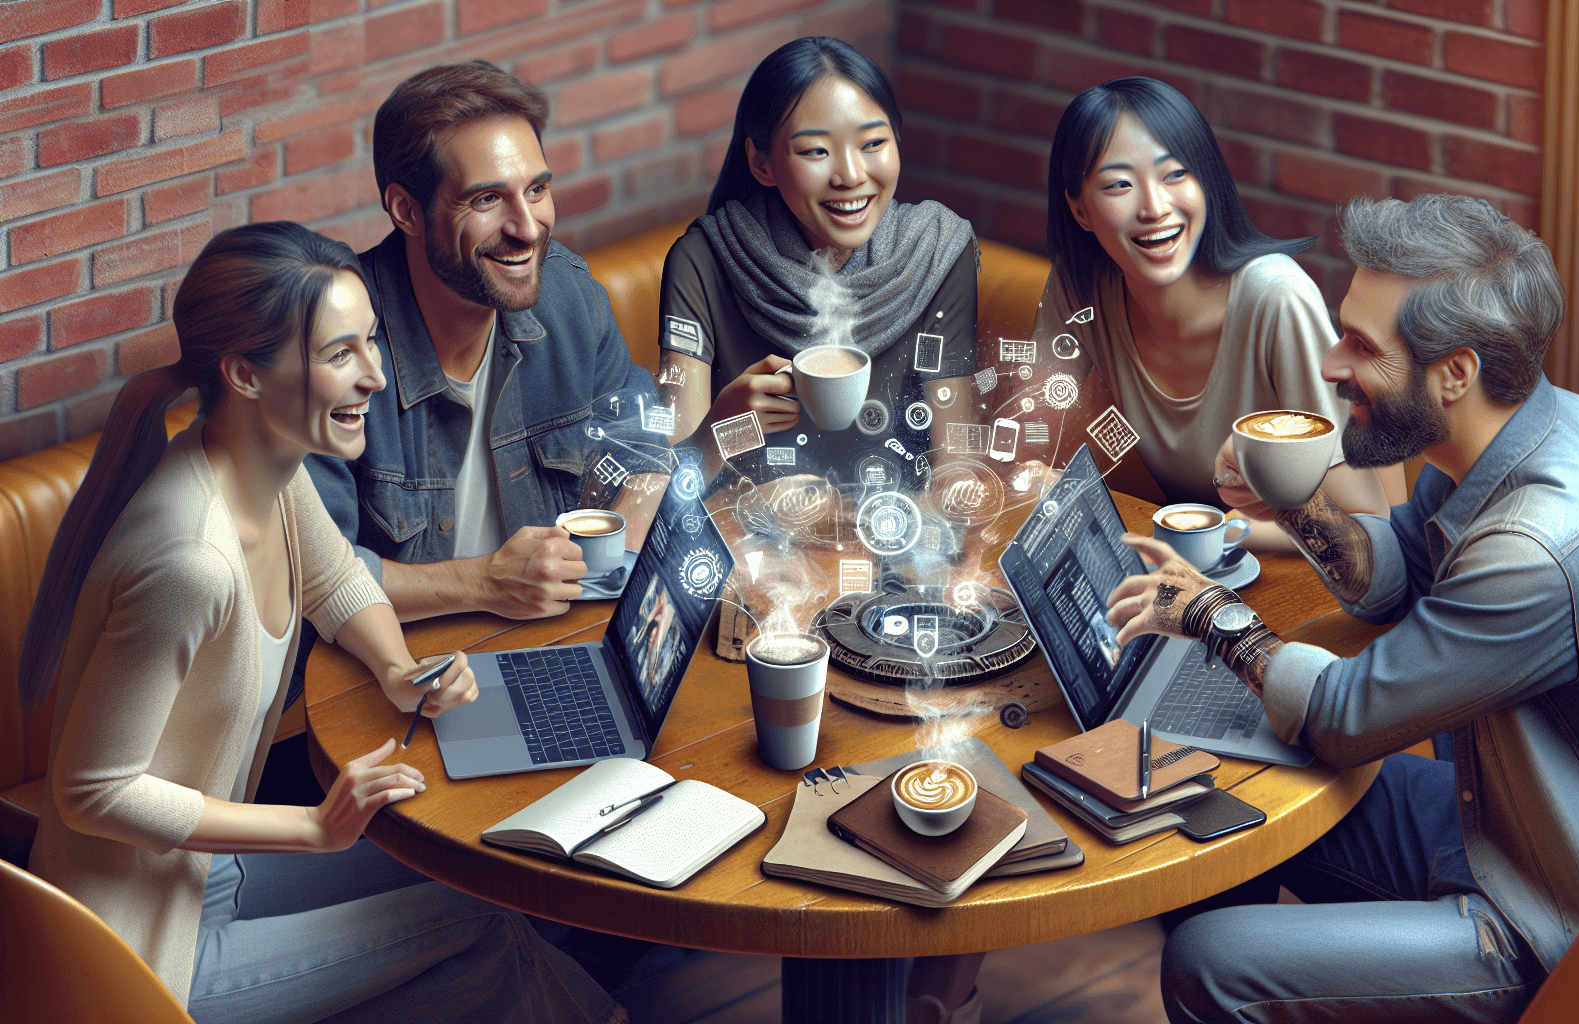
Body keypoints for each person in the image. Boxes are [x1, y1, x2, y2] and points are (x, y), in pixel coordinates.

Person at [1104, 194, 1579, 1023]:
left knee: (1210, 962)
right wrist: (1290, 496)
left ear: (1455, 373)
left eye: (1362, 348)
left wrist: (1210, 615)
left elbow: (1344, 716)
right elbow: (1399, 572)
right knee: (1223, 795)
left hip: (1576, 918)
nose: (1332, 367)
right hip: (1520, 829)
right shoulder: (1545, 430)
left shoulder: (1534, 548)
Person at [18, 222, 624, 1023]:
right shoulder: (190, 562)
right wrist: (313, 826)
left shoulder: (265, 467)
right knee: (475, 925)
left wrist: (399, 671)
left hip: (206, 875)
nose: (376, 375)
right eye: (341, 354)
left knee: (479, 873)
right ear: (245, 375)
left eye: (373, 342)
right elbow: (93, 791)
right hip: (140, 957)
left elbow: (336, 579)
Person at [307, 61, 661, 626]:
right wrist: (487, 584)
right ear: (406, 211)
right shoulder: (333, 348)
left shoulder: (568, 295)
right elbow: (310, 575)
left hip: (554, 639)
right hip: (393, 667)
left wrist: (612, 571)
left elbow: (645, 441)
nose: (528, 227)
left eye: (537, 189)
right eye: (486, 200)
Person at [1039, 78, 1394, 548]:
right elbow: (1028, 444)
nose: (1155, 207)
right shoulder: (1077, 288)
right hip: (1188, 566)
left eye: (1175, 174)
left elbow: (1368, 521)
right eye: (1120, 184)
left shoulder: (1276, 297)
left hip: (1306, 576)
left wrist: (1208, 537)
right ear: (1080, 210)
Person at [656, 36, 978, 486]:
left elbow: (956, 465)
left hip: (897, 537)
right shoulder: (704, 262)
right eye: (815, 151)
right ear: (761, 162)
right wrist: (721, 430)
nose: (850, 175)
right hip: (743, 544)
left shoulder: (937, 253)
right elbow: (665, 492)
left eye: (872, 143)